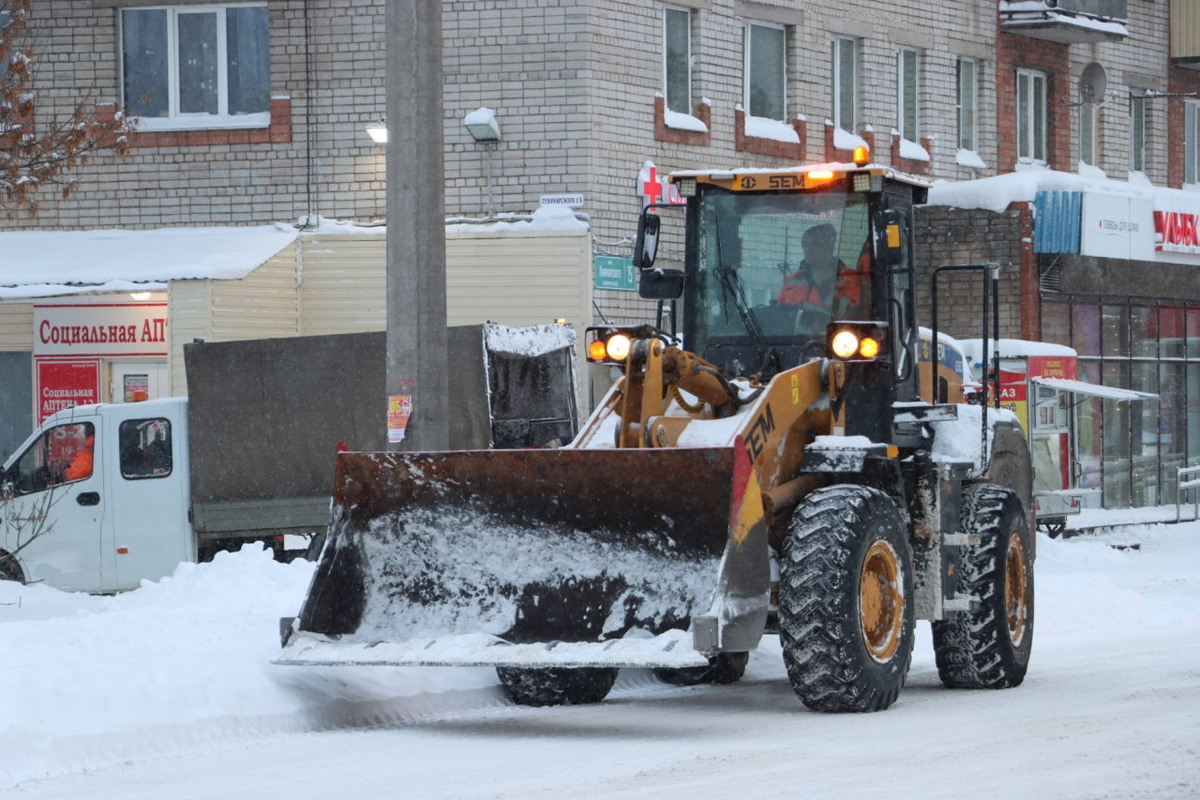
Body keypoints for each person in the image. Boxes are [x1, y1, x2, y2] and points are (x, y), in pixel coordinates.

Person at [777, 222, 869, 319]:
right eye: (805, 245)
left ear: (830, 246)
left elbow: (859, 317)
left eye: (815, 245)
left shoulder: (852, 280)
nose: (808, 250)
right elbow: (779, 318)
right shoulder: (791, 281)